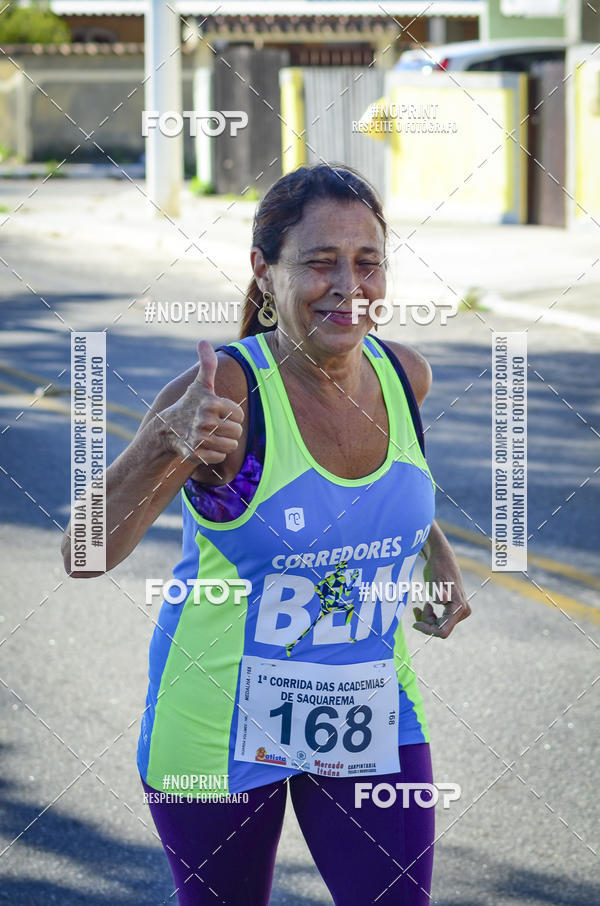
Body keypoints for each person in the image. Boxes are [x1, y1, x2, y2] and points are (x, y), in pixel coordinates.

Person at [62, 163, 470, 905]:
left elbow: (382, 490)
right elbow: (83, 553)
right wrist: (161, 445)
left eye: (367, 262)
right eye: (320, 263)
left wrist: (433, 548)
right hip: (218, 717)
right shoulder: (223, 395)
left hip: (367, 704)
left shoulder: (405, 375)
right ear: (265, 268)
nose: (349, 286)